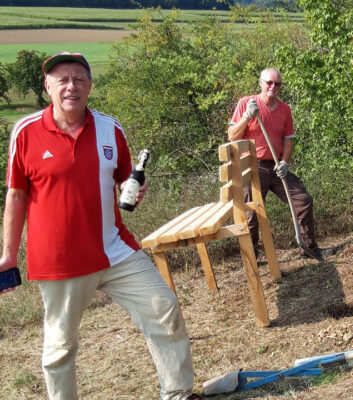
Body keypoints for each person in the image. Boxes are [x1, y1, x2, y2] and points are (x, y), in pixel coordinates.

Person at [0, 52, 201, 400]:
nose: (71, 86)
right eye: (61, 79)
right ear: (48, 86)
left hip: (115, 249)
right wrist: (7, 256)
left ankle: (178, 393)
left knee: (163, 307)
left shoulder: (111, 128)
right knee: (60, 347)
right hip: (60, 261)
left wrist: (134, 191)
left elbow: (127, 179)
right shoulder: (26, 131)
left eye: (79, 79)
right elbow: (16, 196)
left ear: (90, 86)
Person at [228, 68, 331, 259]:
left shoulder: (285, 109)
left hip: (276, 168)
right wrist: (247, 116)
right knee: (252, 213)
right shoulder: (246, 103)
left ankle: (308, 248)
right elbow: (232, 136)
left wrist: (284, 162)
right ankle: (252, 259)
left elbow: (288, 140)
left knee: (303, 200)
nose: (273, 87)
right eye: (269, 83)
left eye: (277, 84)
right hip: (252, 167)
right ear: (261, 83)